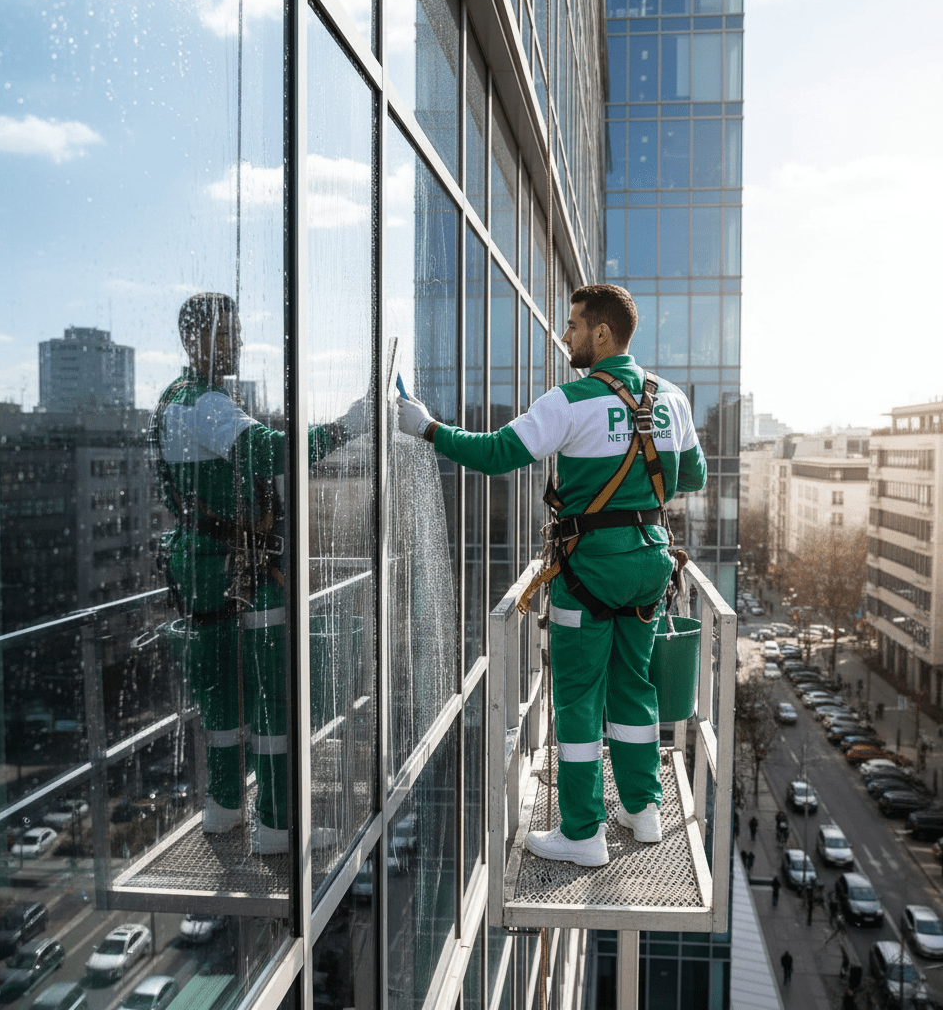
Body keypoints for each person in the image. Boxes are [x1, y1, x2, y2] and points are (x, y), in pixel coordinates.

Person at [396, 284, 707, 867]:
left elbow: (494, 455)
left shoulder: (570, 401)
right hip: (649, 563)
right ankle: (643, 812)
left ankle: (583, 833)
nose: (565, 335)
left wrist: (427, 428)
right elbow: (692, 478)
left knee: (578, 696)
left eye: (573, 325)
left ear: (603, 334)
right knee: (634, 684)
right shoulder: (672, 399)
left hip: (588, 569)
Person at [153, 293, 361, 854]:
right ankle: (276, 824)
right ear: (197, 340)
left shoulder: (173, 402)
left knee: (220, 694)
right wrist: (346, 427)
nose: (238, 343)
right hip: (239, 568)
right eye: (228, 333)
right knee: (273, 691)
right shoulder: (206, 405)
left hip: (199, 566)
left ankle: (222, 808)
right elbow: (272, 453)